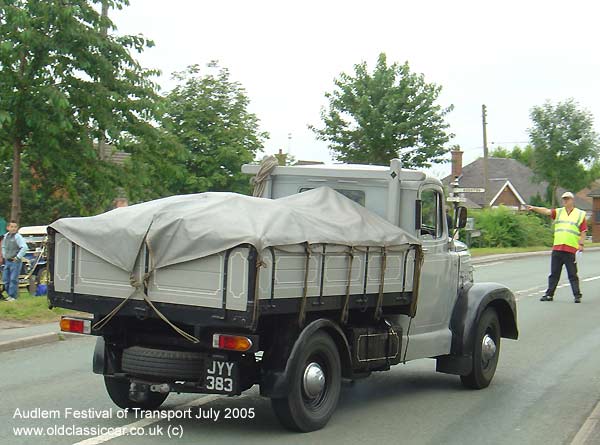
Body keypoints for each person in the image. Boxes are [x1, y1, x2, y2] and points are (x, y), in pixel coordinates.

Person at [526, 191, 586, 303]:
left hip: (570, 249)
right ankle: (549, 295)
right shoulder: (559, 212)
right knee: (554, 273)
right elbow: (546, 211)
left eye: (567, 199)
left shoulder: (579, 214)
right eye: (564, 199)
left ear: (572, 200)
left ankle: (577, 295)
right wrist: (534, 208)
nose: (565, 201)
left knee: (572, 274)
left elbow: (583, 231)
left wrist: (581, 244)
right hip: (558, 248)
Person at [2, 220, 28, 301]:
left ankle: (13, 296)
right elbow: (3, 247)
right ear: (8, 228)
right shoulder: (5, 236)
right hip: (7, 261)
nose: (13, 229)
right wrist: (4, 255)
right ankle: (9, 295)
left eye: (15, 227)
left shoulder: (18, 237)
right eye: (11, 227)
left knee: (13, 279)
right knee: (5, 279)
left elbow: (24, 247)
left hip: (15, 261)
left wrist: (18, 257)